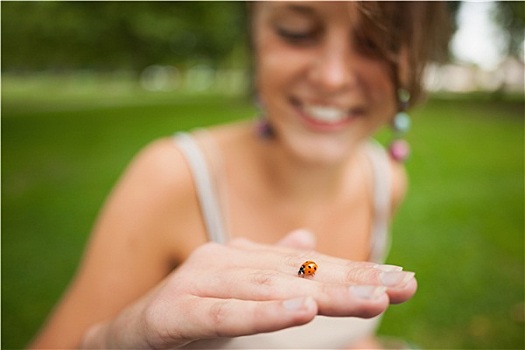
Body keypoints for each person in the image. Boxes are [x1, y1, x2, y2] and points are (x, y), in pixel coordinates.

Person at [29, 1, 449, 349]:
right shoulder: (169, 177)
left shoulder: (388, 181)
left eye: (376, 42)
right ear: (252, 33)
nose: (332, 77)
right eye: (296, 32)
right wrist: (111, 341)